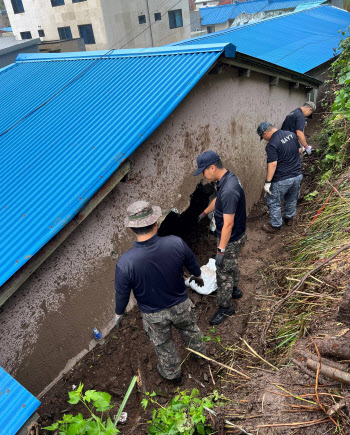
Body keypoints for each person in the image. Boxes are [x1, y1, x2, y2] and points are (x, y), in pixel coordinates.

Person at [114, 200, 206, 384]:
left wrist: (119, 313)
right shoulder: (176, 243)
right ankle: (201, 356)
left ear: (132, 229)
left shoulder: (126, 263)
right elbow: (193, 264)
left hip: (153, 315)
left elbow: (122, 294)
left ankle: (173, 375)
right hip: (181, 305)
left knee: (163, 345)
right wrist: (197, 275)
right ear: (155, 222)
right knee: (190, 330)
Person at [195, 151, 247, 325]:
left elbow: (227, 225)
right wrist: (204, 212)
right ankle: (234, 290)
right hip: (236, 235)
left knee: (223, 270)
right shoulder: (226, 179)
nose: (203, 175)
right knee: (232, 263)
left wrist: (221, 249)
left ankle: (226, 308)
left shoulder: (229, 190)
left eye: (203, 171)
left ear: (212, 167)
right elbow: (218, 200)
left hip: (231, 238)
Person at [257, 122, 303, 233]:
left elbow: (272, 164)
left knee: (274, 201)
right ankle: (289, 218)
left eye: (263, 137)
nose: (265, 139)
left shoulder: (272, 145)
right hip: (297, 175)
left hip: (282, 179)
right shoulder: (291, 134)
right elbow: (299, 150)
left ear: (265, 133)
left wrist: (268, 182)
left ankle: (276, 225)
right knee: (292, 198)